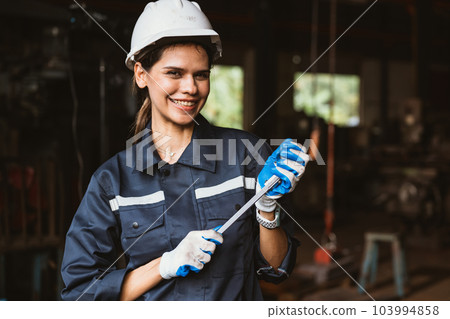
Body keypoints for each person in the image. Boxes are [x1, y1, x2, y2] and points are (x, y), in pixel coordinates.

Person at [61, 0, 309, 301]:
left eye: (201, 74)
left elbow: (276, 270)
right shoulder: (112, 182)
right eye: (174, 73)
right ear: (141, 74)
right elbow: (81, 294)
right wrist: (163, 266)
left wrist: (267, 207)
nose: (191, 87)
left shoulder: (246, 154)